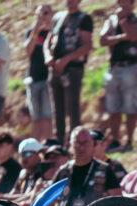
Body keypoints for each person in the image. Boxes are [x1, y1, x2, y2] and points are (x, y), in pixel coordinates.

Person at [45, 0, 94, 144]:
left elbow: (87, 45)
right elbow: (49, 40)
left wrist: (66, 60)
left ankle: (76, 141)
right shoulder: (57, 17)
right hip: (54, 68)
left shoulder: (84, 19)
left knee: (72, 107)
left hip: (73, 68)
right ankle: (59, 140)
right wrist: (48, 56)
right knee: (57, 108)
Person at [100, 0, 137, 151]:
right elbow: (102, 39)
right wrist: (121, 37)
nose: (121, 3)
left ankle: (129, 140)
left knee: (130, 106)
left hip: (131, 66)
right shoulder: (111, 20)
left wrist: (122, 21)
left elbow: (134, 36)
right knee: (113, 106)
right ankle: (115, 139)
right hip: (114, 67)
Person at [24, 5, 54, 140]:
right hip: (34, 77)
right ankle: (35, 147)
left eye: (46, 13)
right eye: (39, 14)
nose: (43, 17)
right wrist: (36, 30)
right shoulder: (31, 32)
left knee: (47, 116)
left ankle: (48, 144)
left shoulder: (55, 31)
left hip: (49, 77)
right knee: (35, 117)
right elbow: (28, 51)